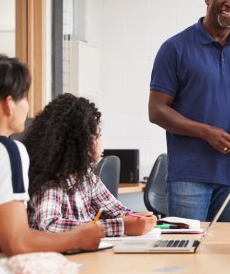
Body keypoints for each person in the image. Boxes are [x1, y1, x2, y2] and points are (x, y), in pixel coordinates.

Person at [148, 0, 230, 222]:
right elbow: (156, 110)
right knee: (187, 255)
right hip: (188, 177)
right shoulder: (175, 48)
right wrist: (205, 132)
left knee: (228, 258)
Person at [0, 51, 104, 256]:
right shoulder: (6, 151)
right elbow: (16, 242)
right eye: (25, 98)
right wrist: (77, 238)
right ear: (8, 104)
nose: (28, 108)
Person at [24, 93, 156, 236]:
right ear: (79, 141)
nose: (100, 141)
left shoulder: (88, 178)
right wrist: (120, 225)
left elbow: (117, 211)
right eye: (97, 135)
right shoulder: (52, 182)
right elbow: (48, 226)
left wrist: (136, 218)